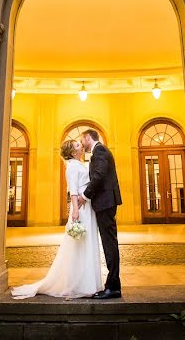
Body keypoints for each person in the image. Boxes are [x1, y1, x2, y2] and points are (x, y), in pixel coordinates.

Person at [10, 137, 103, 299]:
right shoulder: (71, 167)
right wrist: (74, 210)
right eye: (77, 145)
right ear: (73, 152)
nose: (81, 147)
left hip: (89, 208)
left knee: (88, 243)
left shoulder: (79, 164)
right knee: (80, 245)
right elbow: (73, 191)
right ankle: (79, 284)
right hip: (81, 209)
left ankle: (88, 282)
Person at [80, 128, 123, 299]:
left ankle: (113, 287)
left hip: (105, 203)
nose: (82, 145)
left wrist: (85, 195)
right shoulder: (98, 152)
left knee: (109, 244)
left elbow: (99, 176)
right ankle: (113, 285)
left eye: (82, 141)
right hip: (104, 203)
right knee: (108, 243)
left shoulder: (100, 150)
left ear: (87, 137)